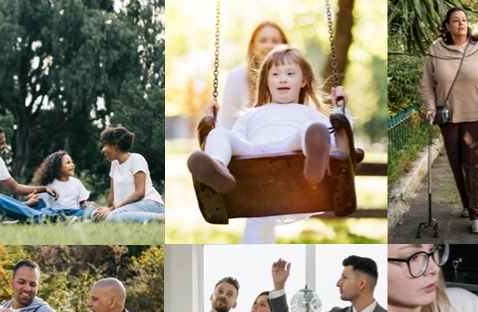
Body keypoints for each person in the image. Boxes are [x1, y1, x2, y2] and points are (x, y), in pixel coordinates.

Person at [188, 45, 351, 241]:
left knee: (312, 130)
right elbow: (234, 141)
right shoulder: (252, 114)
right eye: (275, 74)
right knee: (219, 135)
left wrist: (340, 109)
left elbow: (338, 136)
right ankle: (218, 168)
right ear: (266, 80)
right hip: (255, 153)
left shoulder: (309, 113)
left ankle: (314, 164)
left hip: (292, 149)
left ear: (303, 81)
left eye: (290, 73)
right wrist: (213, 124)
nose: (282, 79)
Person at [420, 8, 478, 234]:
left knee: (473, 165)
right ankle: (468, 204)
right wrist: (429, 107)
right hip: (449, 116)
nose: (461, 24)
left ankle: (477, 214)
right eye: (456, 20)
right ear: (446, 26)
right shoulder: (435, 51)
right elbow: (427, 84)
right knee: (457, 164)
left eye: (464, 20)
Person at [218, 21, 290, 243]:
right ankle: (217, 167)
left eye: (275, 40)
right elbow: (226, 122)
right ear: (252, 46)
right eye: (263, 40)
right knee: (263, 213)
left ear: (285, 46)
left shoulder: (291, 77)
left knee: (263, 215)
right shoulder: (237, 77)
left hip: (283, 157)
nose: (269, 45)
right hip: (246, 156)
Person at [93, 126, 165, 223]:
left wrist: (111, 210)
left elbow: (140, 192)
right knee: (95, 214)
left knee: (112, 218)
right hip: (130, 207)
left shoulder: (136, 159)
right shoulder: (114, 164)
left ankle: (162, 217)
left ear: (115, 146)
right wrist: (106, 211)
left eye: (105, 145)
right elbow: (112, 195)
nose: (103, 149)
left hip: (149, 203)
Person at [28, 150, 96, 220]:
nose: (72, 165)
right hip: (56, 213)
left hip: (75, 211)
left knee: (90, 208)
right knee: (44, 211)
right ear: (57, 168)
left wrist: (86, 205)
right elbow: (40, 201)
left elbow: (82, 202)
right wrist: (33, 197)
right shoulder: (49, 184)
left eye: (72, 162)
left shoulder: (77, 182)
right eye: (68, 163)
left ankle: (73, 218)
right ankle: (68, 219)